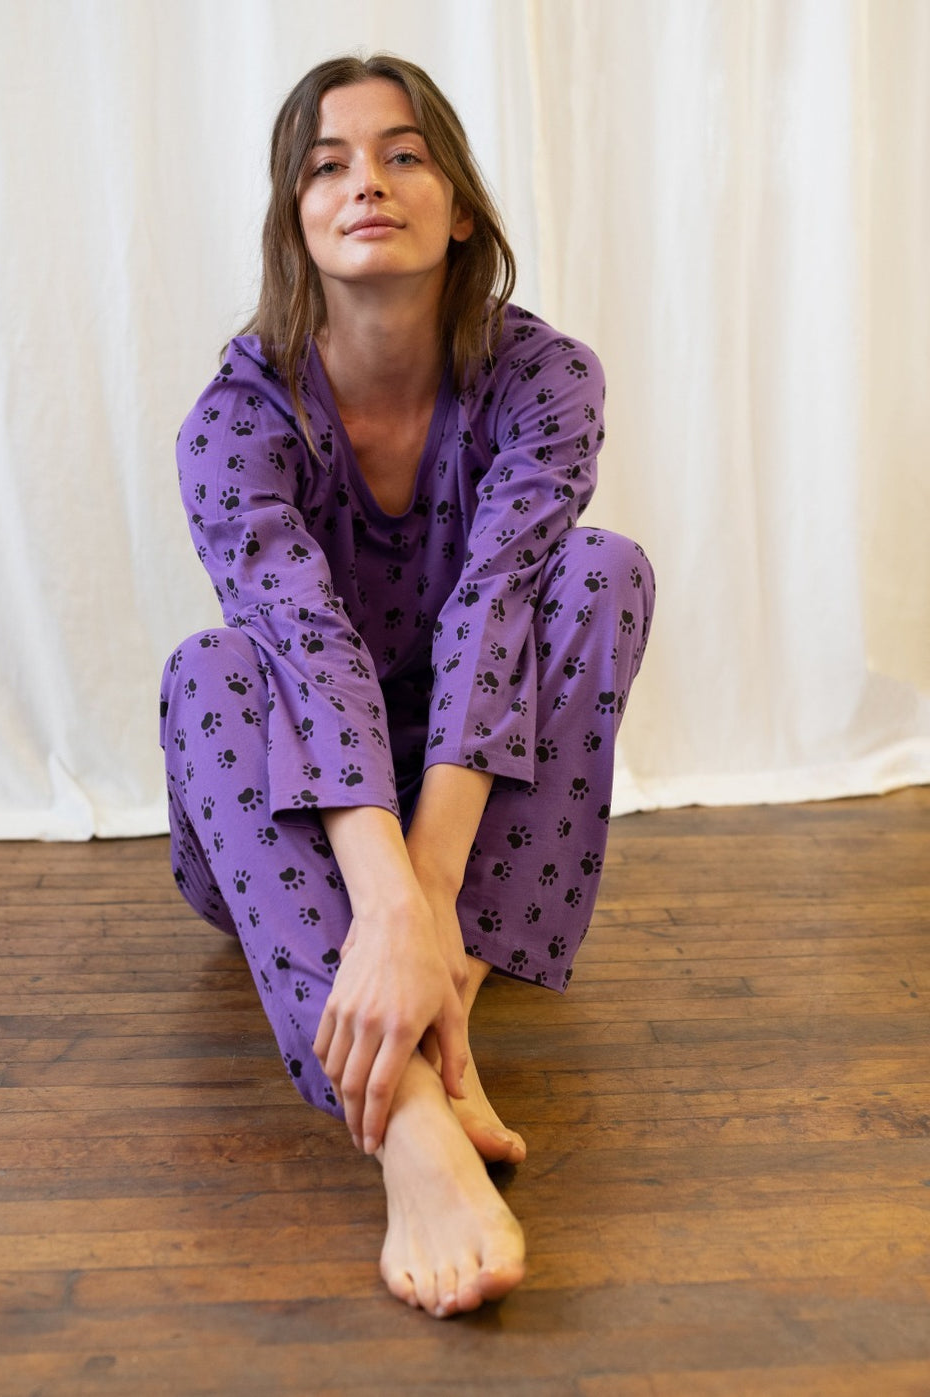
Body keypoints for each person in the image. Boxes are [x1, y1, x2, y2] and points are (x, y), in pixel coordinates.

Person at [160, 53, 654, 1319]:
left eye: (402, 154)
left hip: (466, 815)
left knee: (601, 572)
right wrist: (383, 899)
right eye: (327, 165)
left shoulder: (546, 381)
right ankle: (416, 1118)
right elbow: (304, 649)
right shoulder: (234, 419)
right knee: (211, 666)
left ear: (464, 206)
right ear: (295, 219)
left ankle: (448, 989)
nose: (366, 182)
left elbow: (500, 604)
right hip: (285, 814)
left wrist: (425, 912)